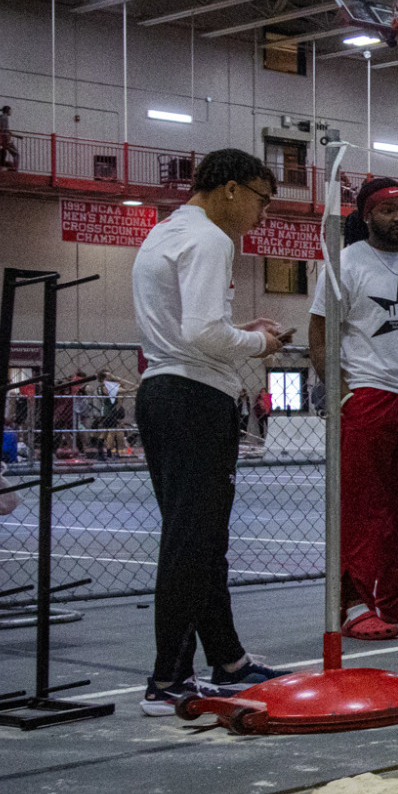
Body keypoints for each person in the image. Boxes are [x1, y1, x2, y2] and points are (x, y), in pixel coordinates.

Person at [130, 148, 291, 714]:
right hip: (193, 397)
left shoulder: (167, 232)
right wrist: (258, 343)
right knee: (192, 542)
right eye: (261, 199)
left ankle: (227, 660)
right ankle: (168, 679)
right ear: (229, 188)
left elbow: (189, 325)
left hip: (168, 392)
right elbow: (201, 333)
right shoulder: (210, 240)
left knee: (200, 541)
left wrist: (236, 329)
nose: (262, 214)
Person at [308, 176, 398, 641]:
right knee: (363, 509)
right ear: (367, 215)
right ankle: (353, 603)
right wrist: (343, 393)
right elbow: (319, 335)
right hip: (368, 396)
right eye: (389, 210)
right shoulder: (344, 264)